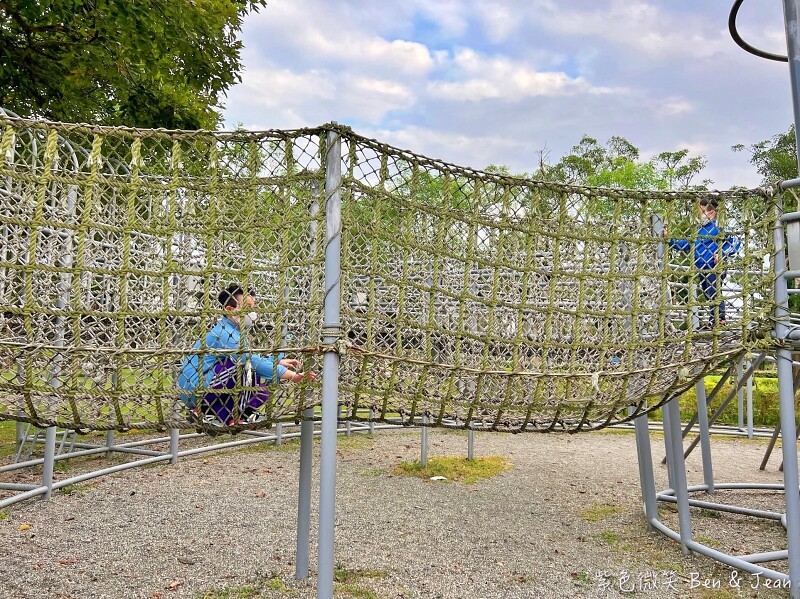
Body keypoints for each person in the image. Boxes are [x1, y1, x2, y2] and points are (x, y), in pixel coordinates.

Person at [178, 284, 315, 426]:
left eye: (253, 308)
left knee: (261, 385)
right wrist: (293, 376)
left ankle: (229, 416)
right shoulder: (224, 333)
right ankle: (202, 410)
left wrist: (277, 363)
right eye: (248, 308)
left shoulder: (237, 332)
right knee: (246, 367)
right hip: (193, 388)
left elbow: (252, 359)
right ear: (230, 310)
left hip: (208, 383)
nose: (253, 313)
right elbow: (250, 361)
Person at [663, 198, 741, 329]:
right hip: (701, 267)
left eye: (701, 212)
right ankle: (713, 320)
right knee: (708, 293)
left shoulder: (718, 227)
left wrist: (722, 254)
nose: (699, 215)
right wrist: (669, 239)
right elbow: (687, 245)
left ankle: (719, 320)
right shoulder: (699, 231)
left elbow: (735, 240)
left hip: (713, 265)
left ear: (710, 213)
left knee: (714, 292)